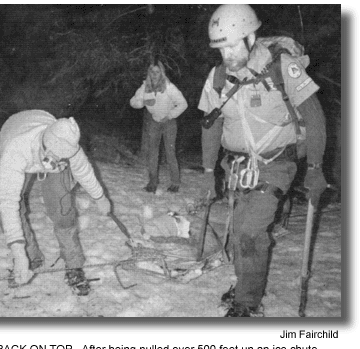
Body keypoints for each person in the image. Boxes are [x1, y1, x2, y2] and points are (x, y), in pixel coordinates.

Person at [201, 5, 327, 317]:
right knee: (242, 231)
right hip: (237, 168)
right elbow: (211, 123)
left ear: (251, 37)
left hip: (276, 164)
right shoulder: (218, 76)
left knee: (249, 232)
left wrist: (315, 168)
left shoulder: (282, 67)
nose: (227, 54)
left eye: (232, 45)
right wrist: (207, 170)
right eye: (221, 48)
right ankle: (247, 284)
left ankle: (247, 302)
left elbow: (314, 115)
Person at [0, 110, 111, 295]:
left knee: (62, 209)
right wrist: (19, 254)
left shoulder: (68, 143)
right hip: (16, 133)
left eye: (65, 157)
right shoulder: (16, 150)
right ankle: (30, 258)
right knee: (5, 208)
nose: (60, 160)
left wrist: (100, 197)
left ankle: (74, 266)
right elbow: (7, 203)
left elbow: (84, 171)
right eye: (57, 157)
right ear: (47, 148)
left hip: (43, 126)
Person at [130, 58, 188, 193]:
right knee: (153, 153)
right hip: (154, 122)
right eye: (152, 71)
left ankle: (175, 182)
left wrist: (170, 115)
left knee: (170, 152)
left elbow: (183, 104)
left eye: (157, 71)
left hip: (169, 122)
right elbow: (133, 102)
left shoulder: (169, 87)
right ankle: (152, 181)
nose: (154, 74)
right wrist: (143, 102)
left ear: (161, 72)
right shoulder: (145, 87)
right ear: (149, 73)